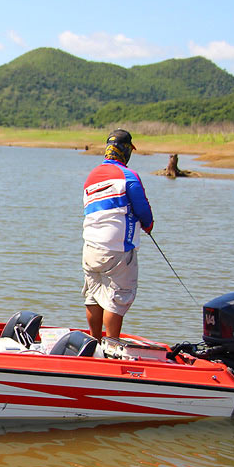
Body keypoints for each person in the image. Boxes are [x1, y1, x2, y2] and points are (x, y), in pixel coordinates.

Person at [81, 129, 154, 340]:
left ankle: (94, 342)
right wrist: (148, 226)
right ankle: (111, 344)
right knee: (118, 296)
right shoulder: (128, 176)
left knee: (93, 295)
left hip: (90, 249)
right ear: (126, 151)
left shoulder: (91, 177)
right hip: (117, 249)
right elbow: (143, 210)